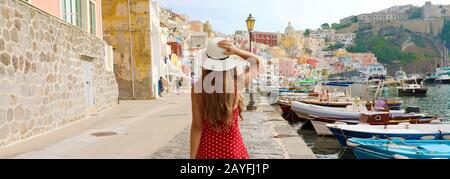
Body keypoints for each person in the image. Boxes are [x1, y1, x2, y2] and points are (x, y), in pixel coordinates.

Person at [190, 37, 260, 159]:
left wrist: (192, 158)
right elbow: (256, 63)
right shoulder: (237, 84)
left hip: (207, 152)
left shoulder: (198, 89)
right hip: (234, 152)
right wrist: (236, 51)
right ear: (228, 63)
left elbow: (197, 127)